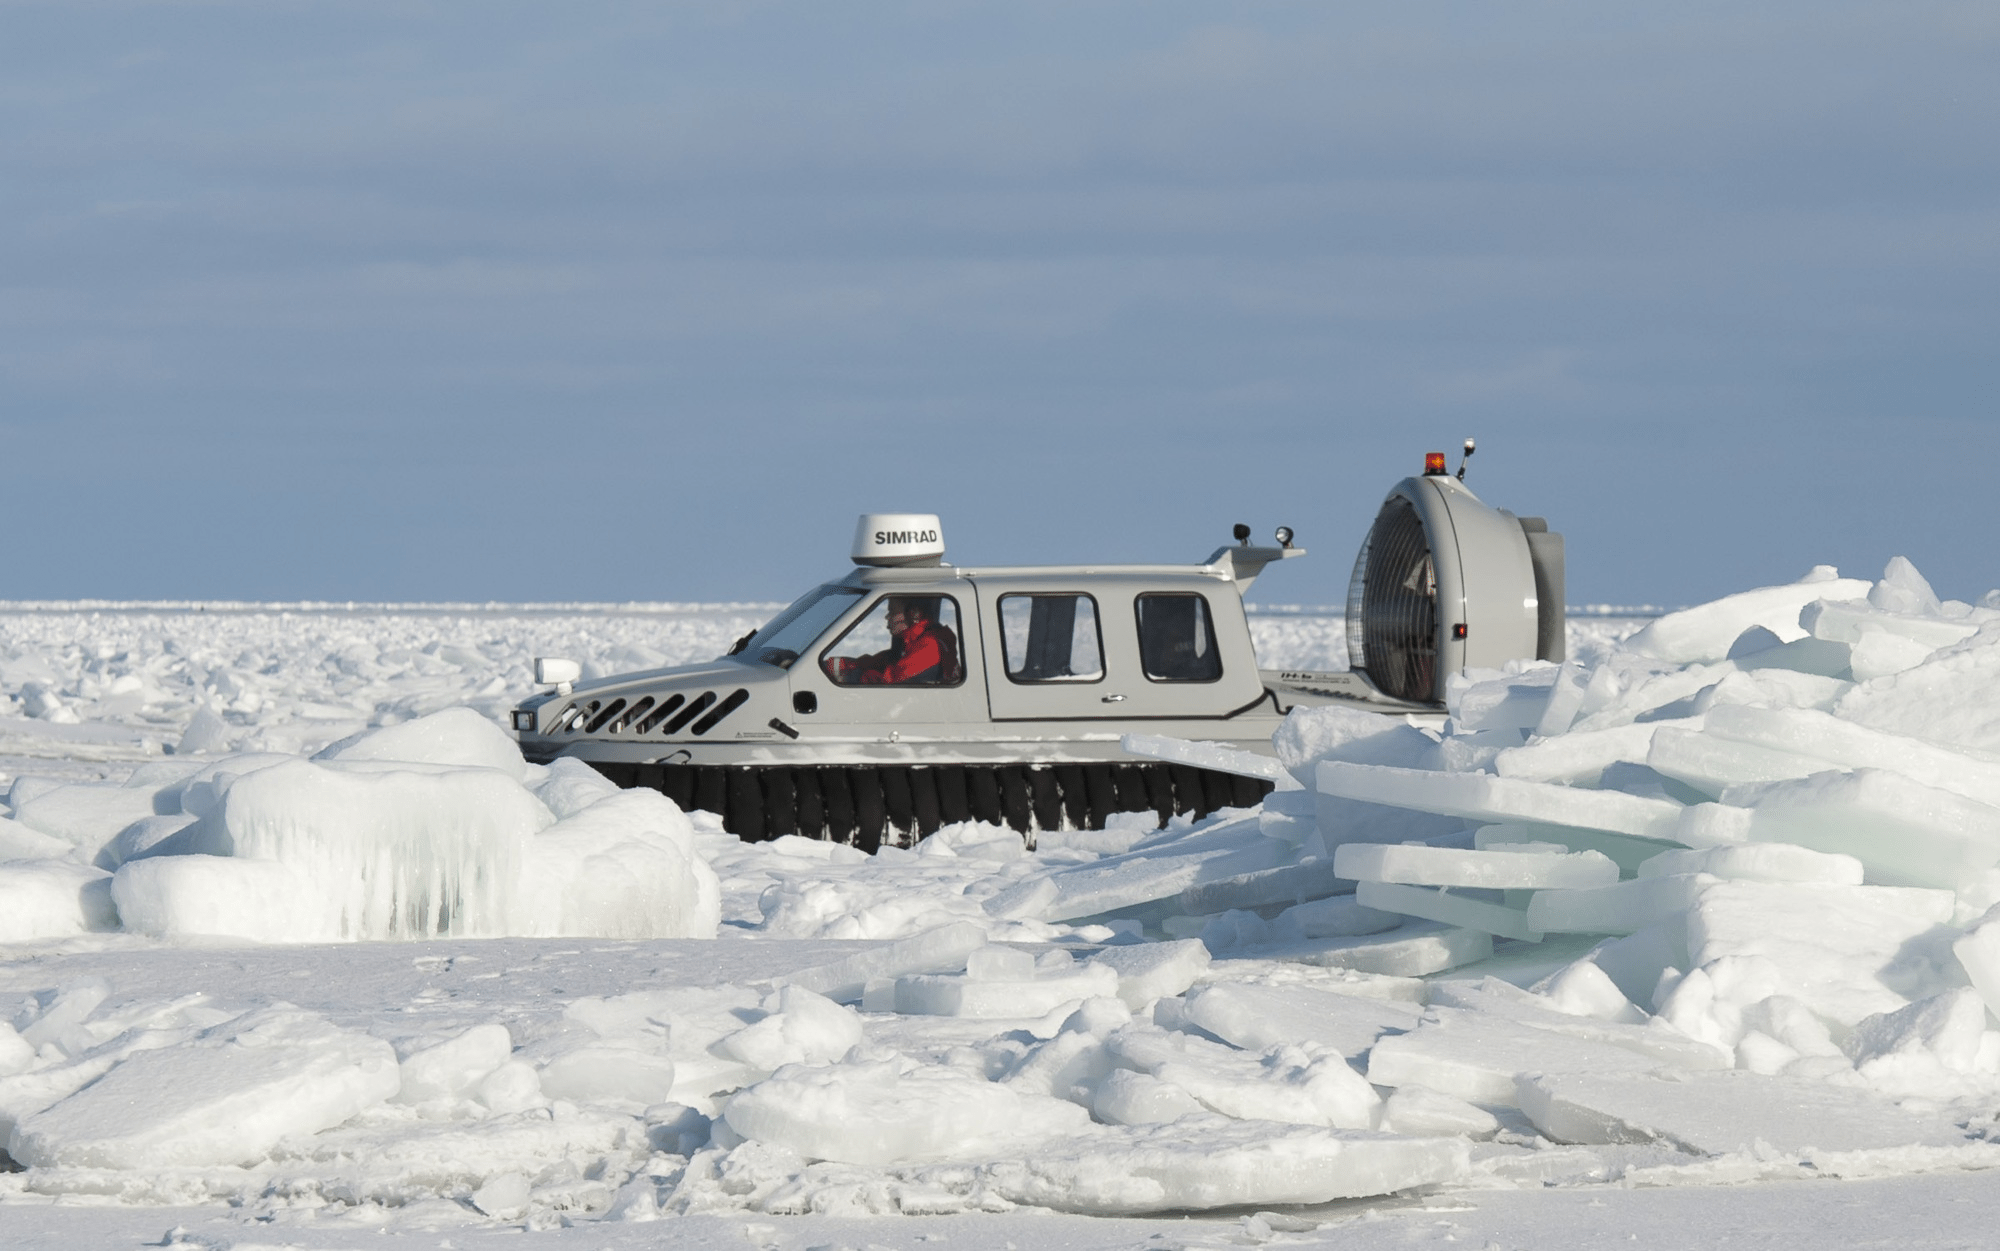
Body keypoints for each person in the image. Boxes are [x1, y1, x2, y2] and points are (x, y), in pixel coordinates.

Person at [832, 597, 959, 685]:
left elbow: (889, 683)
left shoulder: (929, 646)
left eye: (892, 611)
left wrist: (848, 677)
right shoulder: (913, 642)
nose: (887, 617)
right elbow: (882, 662)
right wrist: (844, 665)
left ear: (914, 614)